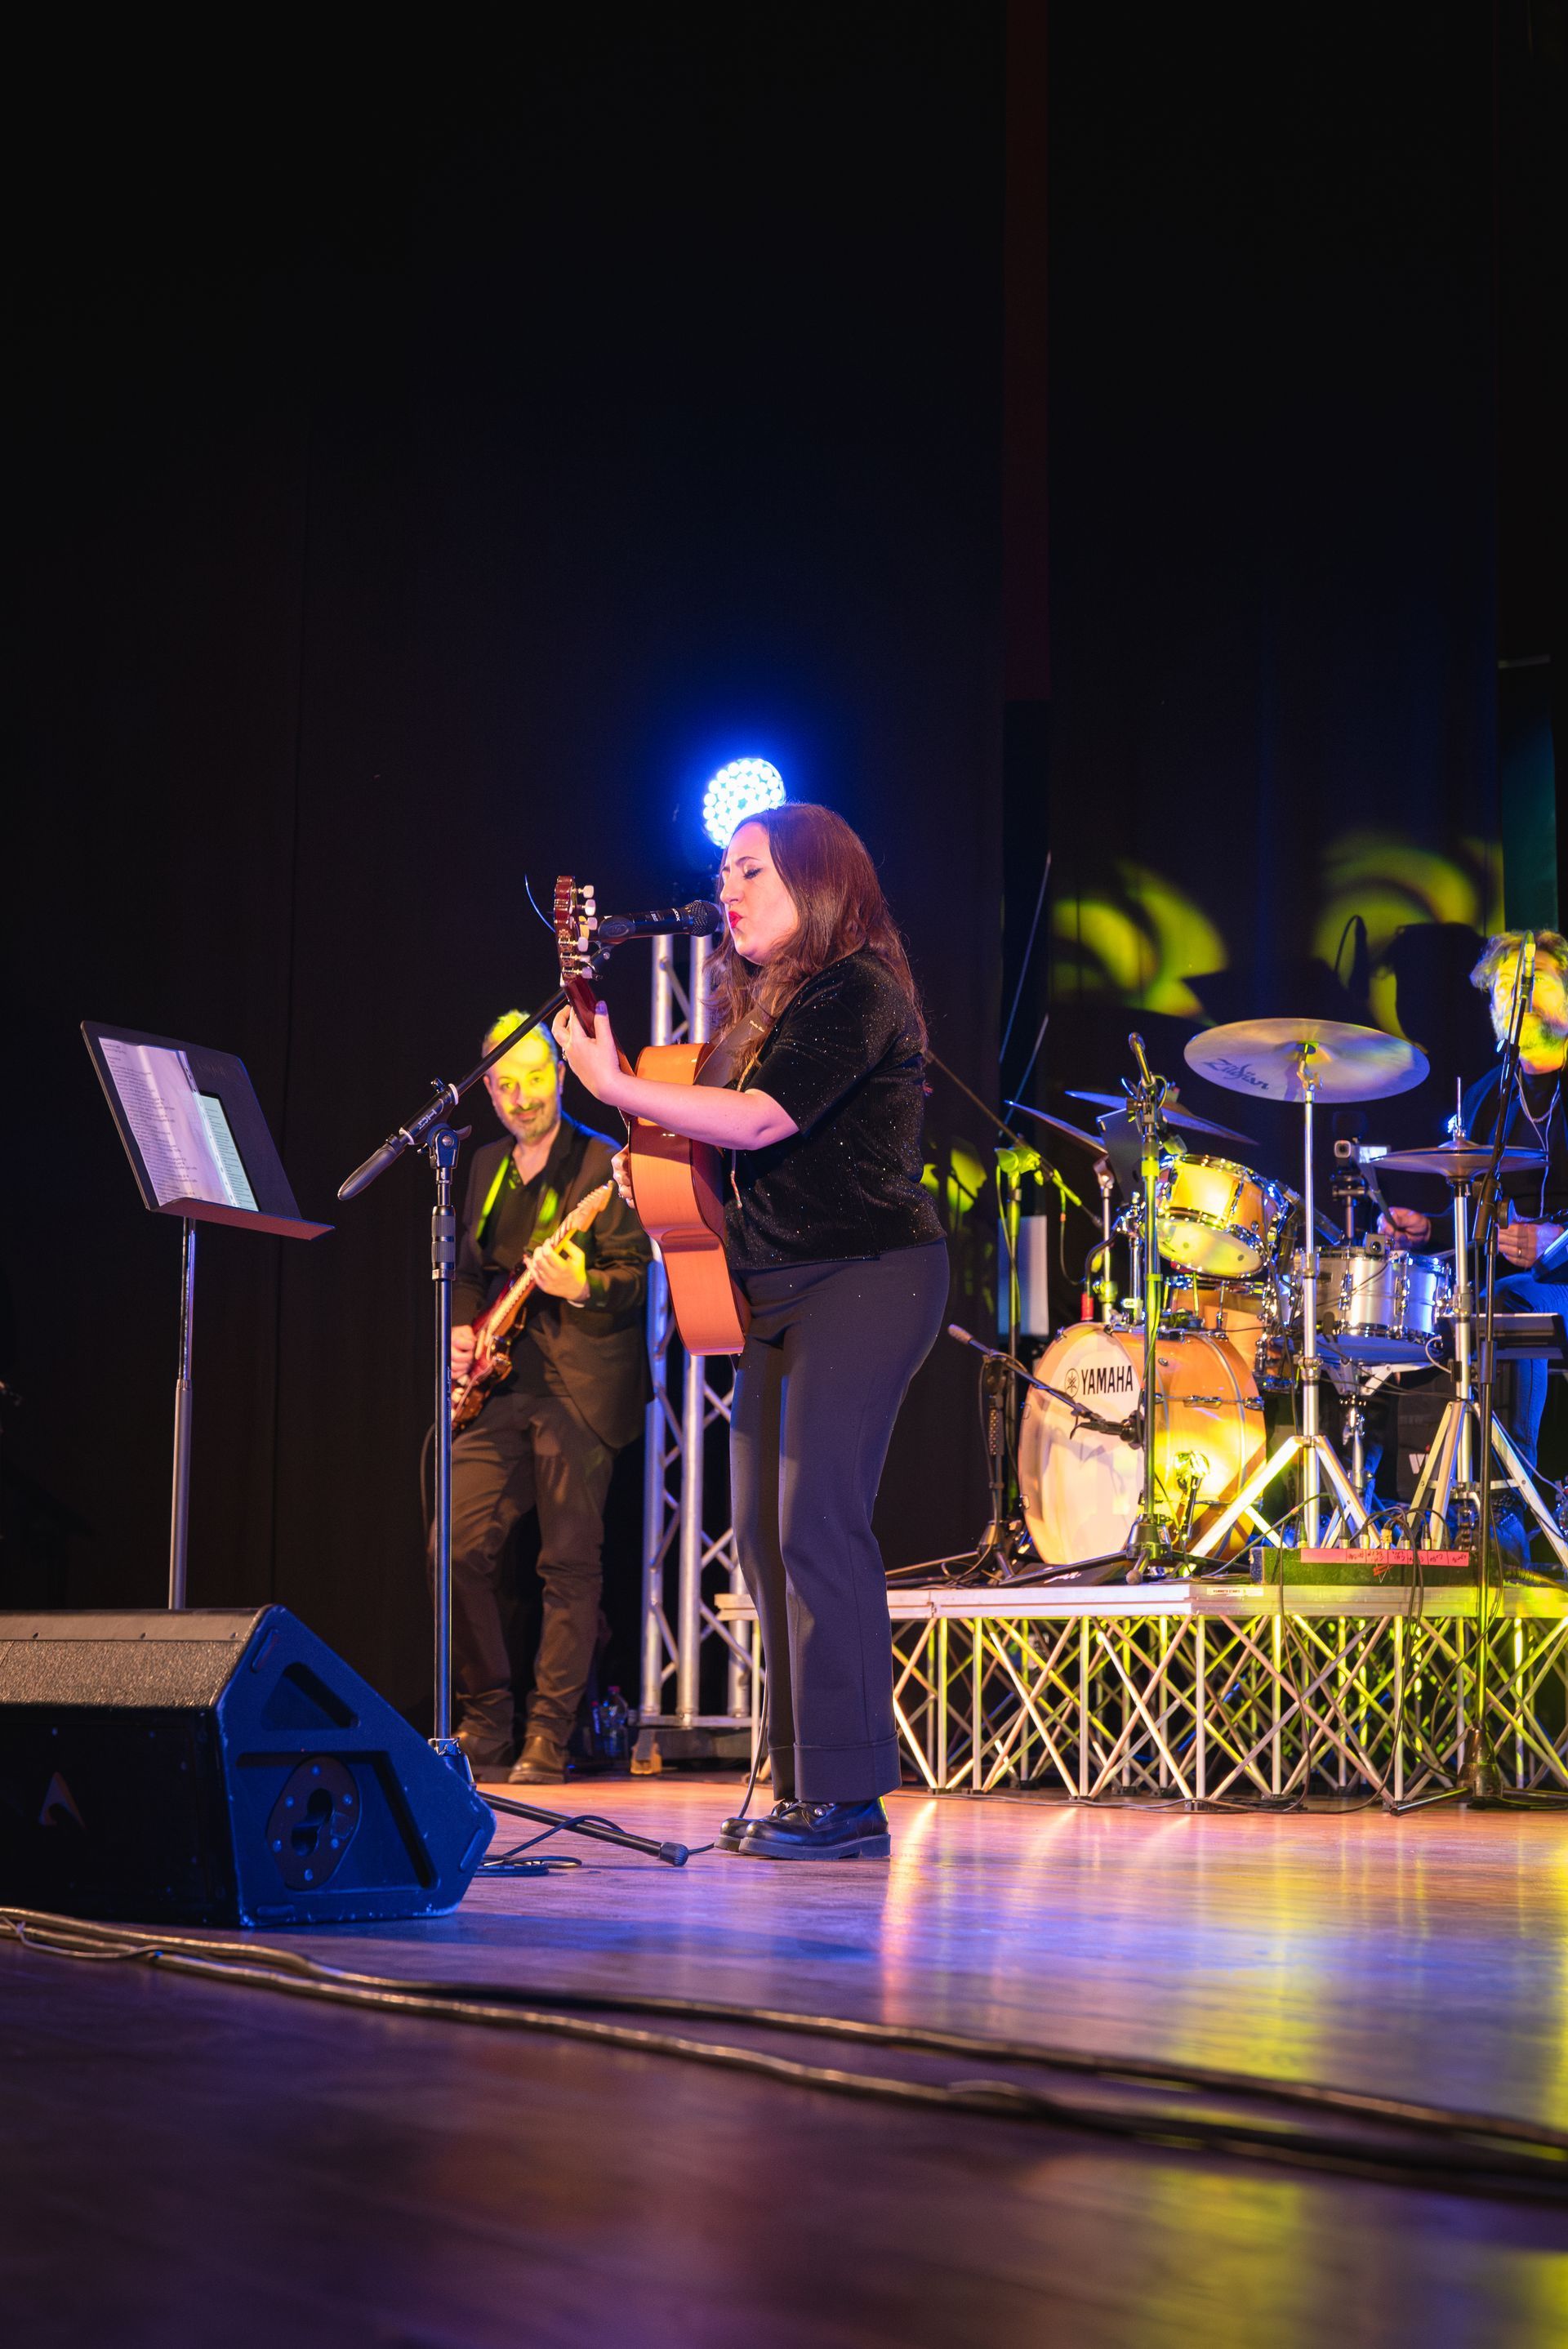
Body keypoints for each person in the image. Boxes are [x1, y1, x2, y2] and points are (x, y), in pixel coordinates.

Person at [554, 804, 949, 1860]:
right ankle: (803, 1782)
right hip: (774, 1286)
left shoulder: (857, 988)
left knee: (818, 1522)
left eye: (752, 872)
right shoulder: (759, 1011)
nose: (726, 891)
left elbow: (766, 1118)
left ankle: (850, 1797)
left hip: (869, 1275)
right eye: (723, 873)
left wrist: (614, 1083)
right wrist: (642, 1150)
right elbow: (713, 1144)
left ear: (817, 882)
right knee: (766, 1540)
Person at [438, 1012, 650, 1781]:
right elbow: (467, 1270)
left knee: (568, 1565)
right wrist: (461, 1329)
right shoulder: (484, 1164)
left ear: (561, 1075)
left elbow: (636, 1278)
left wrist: (582, 1283)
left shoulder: (603, 1164)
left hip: (579, 1388)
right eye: (505, 1084)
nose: (522, 1096)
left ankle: (549, 1736)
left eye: (535, 1077)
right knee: (453, 1549)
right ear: (489, 1090)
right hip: (498, 1384)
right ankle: (487, 1720)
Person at [1382, 929, 1568, 1473]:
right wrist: (1430, 1230)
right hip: (1513, 1284)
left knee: (1507, 1303)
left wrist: (1559, 1239)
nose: (1518, 996)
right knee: (1420, 1315)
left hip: (1550, 1284)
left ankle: (1515, 1490)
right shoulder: (1490, 1096)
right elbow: (1478, 1219)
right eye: (1505, 987)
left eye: (1536, 980)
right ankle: (1415, 1487)